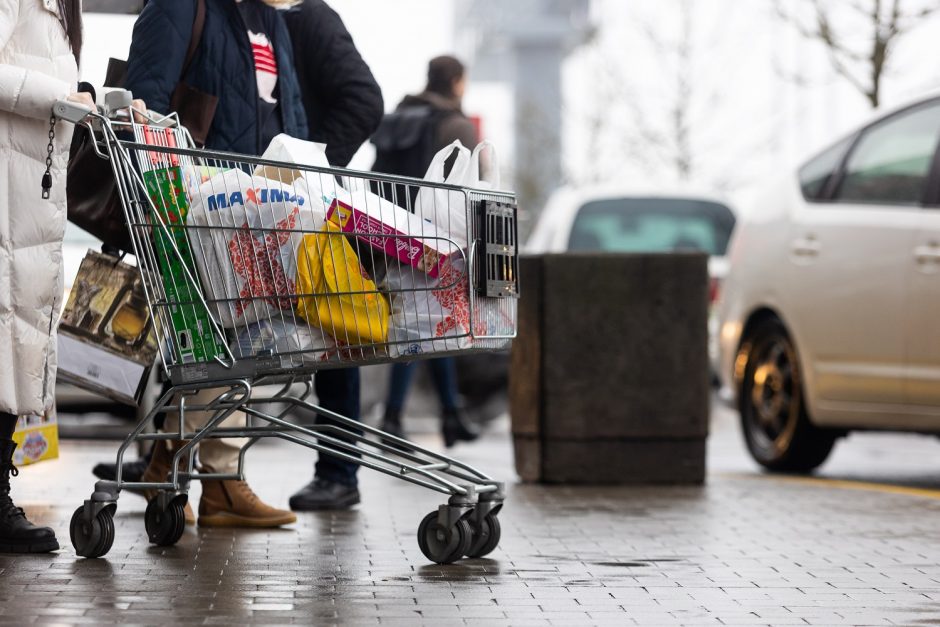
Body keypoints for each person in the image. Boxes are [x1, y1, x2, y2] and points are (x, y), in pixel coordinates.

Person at [92, 0, 309, 529]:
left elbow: (288, 115)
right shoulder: (180, 6)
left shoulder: (269, 19)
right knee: (220, 342)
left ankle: (174, 462)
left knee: (234, 344)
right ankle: (218, 478)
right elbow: (141, 105)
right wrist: (175, 194)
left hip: (259, 214)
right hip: (197, 209)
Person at [282, 0, 384, 512]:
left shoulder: (308, 19)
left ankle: (339, 470)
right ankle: (164, 456)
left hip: (311, 201)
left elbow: (365, 100)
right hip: (267, 200)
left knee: (335, 332)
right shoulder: (248, 21)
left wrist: (310, 164)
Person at [0, 0, 93, 553]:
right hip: (9, 193)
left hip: (32, 195)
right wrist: (58, 99)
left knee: (20, 347)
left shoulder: (61, 7)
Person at [372, 55, 480, 448]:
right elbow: (470, 186)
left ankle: (450, 411)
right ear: (454, 81)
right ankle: (393, 415)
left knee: (427, 319)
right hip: (435, 237)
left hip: (390, 230)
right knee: (420, 322)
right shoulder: (454, 125)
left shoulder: (399, 118)